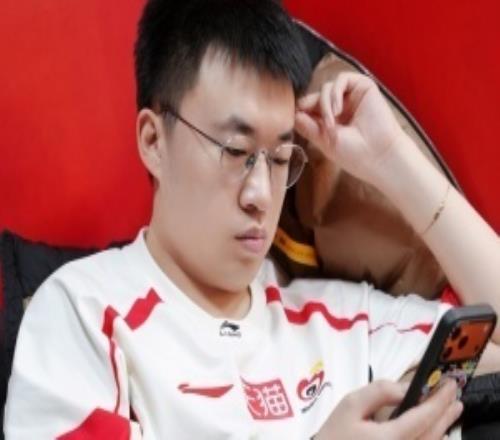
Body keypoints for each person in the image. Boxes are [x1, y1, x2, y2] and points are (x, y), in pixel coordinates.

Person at [4, 0, 500, 438]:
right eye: (235, 150)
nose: (262, 194)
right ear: (154, 141)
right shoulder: (86, 314)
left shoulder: (343, 322)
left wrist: (393, 160)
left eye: (281, 158)